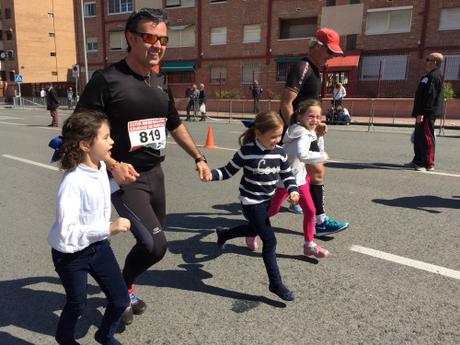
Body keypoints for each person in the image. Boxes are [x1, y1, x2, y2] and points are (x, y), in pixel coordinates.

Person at [76, 8, 211, 325]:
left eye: (162, 39)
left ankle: (123, 284)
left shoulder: (159, 82)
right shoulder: (106, 80)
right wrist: (111, 163)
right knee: (155, 245)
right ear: (130, 38)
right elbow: (80, 129)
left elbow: (174, 125)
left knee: (151, 240)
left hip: (155, 175)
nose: (158, 44)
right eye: (150, 37)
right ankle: (120, 290)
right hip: (124, 179)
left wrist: (199, 157)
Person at [48, 110, 131, 345]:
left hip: (98, 248)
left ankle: (104, 335)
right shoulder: (72, 182)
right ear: (85, 145)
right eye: (106, 137)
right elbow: (67, 232)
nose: (112, 141)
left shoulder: (99, 167)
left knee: (120, 299)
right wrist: (109, 228)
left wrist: (118, 184)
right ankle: (64, 338)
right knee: (77, 304)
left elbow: (97, 194)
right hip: (70, 255)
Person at [204, 111, 300, 301]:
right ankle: (275, 283)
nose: (277, 140)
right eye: (272, 136)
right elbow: (228, 170)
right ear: (258, 134)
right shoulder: (246, 152)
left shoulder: (280, 152)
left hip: (267, 200)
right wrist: (211, 175)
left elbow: (287, 175)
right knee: (270, 240)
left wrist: (293, 190)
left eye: (279, 135)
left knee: (253, 228)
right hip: (250, 202)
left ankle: (224, 234)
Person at [279, 27, 349, 235]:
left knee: (296, 172)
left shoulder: (315, 69)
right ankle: (320, 221)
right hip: (298, 130)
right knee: (315, 171)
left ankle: (293, 202)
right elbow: (286, 103)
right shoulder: (303, 67)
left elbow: (305, 104)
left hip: (305, 129)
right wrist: (297, 130)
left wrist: (316, 123)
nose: (331, 57)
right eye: (330, 52)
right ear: (317, 46)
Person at [245, 100, 330, 258]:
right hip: (283, 181)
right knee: (272, 210)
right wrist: (323, 156)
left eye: (318, 116)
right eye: (311, 116)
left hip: (300, 179)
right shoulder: (302, 134)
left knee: (311, 211)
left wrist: (319, 136)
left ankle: (309, 245)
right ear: (300, 116)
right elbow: (303, 155)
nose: (315, 120)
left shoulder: (302, 131)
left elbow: (312, 149)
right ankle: (251, 232)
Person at [405, 52, 444, 172]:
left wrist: (422, 113)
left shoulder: (435, 76)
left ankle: (428, 164)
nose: (426, 61)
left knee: (427, 138)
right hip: (421, 113)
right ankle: (417, 161)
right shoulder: (427, 76)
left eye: (428, 59)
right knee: (418, 138)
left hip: (427, 113)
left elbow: (430, 97)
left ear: (435, 62)